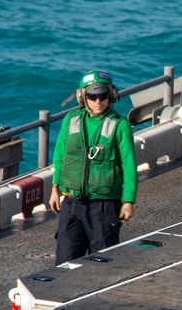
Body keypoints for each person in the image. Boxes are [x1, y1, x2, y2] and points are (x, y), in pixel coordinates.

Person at [49, 70, 137, 264]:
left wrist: (129, 201)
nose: (98, 101)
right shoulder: (71, 119)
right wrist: (55, 188)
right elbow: (60, 156)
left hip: (104, 206)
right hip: (72, 204)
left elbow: (129, 164)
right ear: (83, 97)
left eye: (103, 95)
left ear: (111, 96)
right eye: (93, 96)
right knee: (65, 263)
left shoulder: (119, 125)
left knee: (102, 264)